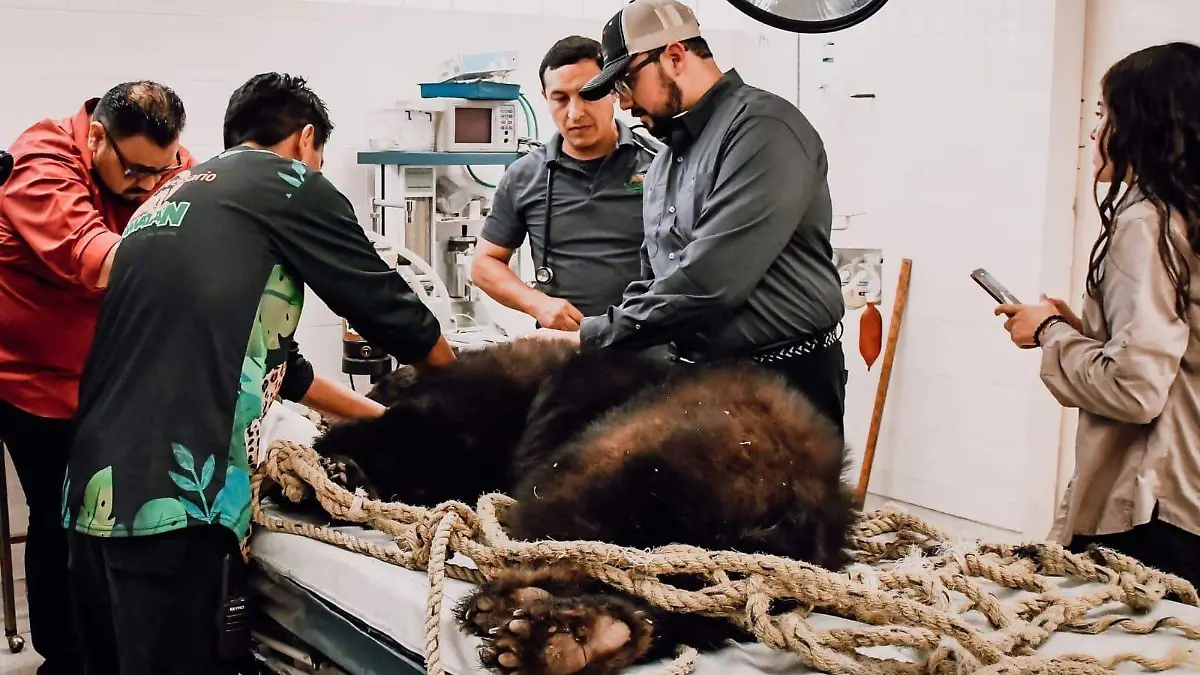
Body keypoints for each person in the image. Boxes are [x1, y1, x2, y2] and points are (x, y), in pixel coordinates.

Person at [62, 72, 456, 674]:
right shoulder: (291, 184)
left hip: (95, 495)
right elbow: (393, 314)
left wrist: (386, 419)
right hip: (173, 506)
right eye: (319, 156)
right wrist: (465, 399)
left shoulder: (171, 199)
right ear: (305, 141)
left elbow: (280, 368)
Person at [533, 0, 848, 436]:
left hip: (786, 386)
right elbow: (656, 278)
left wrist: (594, 335)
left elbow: (709, 281)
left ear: (675, 56)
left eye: (626, 82)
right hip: (697, 382)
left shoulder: (764, 130)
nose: (622, 104)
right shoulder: (663, 163)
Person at [0, 81, 194, 675]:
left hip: (111, 377)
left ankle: (114, 647)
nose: (147, 182)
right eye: (135, 168)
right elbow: (101, 260)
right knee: (61, 511)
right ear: (97, 136)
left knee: (114, 511)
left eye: (160, 170)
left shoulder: (168, 164)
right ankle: (62, 658)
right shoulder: (42, 164)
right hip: (30, 381)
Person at [996, 42, 1200, 587]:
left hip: (1150, 509)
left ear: (1147, 124)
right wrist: (1089, 333)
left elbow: (1136, 391)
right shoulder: (1188, 213)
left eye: (1105, 114)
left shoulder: (1148, 220)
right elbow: (1177, 356)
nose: (1094, 132)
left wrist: (1049, 332)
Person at [471, 35, 656, 330]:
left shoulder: (661, 164)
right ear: (546, 98)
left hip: (648, 344)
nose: (575, 113)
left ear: (613, 91)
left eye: (588, 94)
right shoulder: (523, 176)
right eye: (560, 98)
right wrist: (537, 303)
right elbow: (484, 264)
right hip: (563, 351)